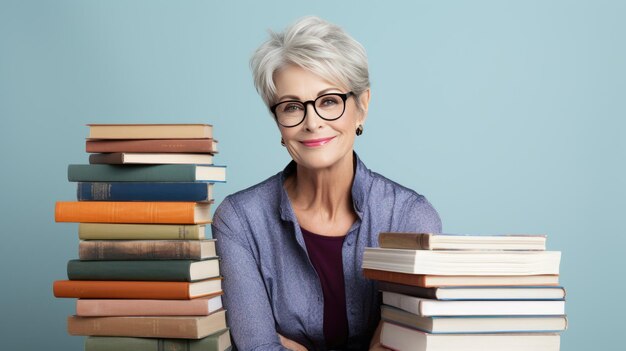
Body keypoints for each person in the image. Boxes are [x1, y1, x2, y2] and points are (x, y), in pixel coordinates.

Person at [212, 16, 442, 351]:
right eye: (292, 107)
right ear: (277, 120)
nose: (313, 123)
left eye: (329, 101)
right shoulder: (239, 221)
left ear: (361, 108)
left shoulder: (411, 219)